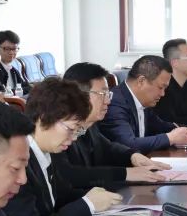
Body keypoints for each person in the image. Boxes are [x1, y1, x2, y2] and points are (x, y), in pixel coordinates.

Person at [2, 78, 123, 216]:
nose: (73, 138)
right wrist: (87, 204)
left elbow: (62, 196)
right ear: (43, 118)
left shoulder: (49, 152)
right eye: (71, 129)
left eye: (78, 131)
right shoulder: (17, 165)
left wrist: (99, 196)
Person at [54, 62, 171, 191]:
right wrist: (125, 173)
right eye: (102, 94)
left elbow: (108, 147)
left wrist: (132, 156)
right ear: (79, 95)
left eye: (108, 94)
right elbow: (70, 175)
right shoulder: (58, 131)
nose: (108, 101)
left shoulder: (90, 125)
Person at [99, 54, 187, 153]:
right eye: (160, 87)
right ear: (141, 81)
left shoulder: (143, 101)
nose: (163, 94)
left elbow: (160, 126)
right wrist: (170, 138)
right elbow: (128, 144)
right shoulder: (115, 103)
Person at [0, 29, 31, 95]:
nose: (11, 52)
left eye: (14, 49)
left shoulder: (13, 70)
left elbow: (26, 87)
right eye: (7, 49)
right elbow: (0, 93)